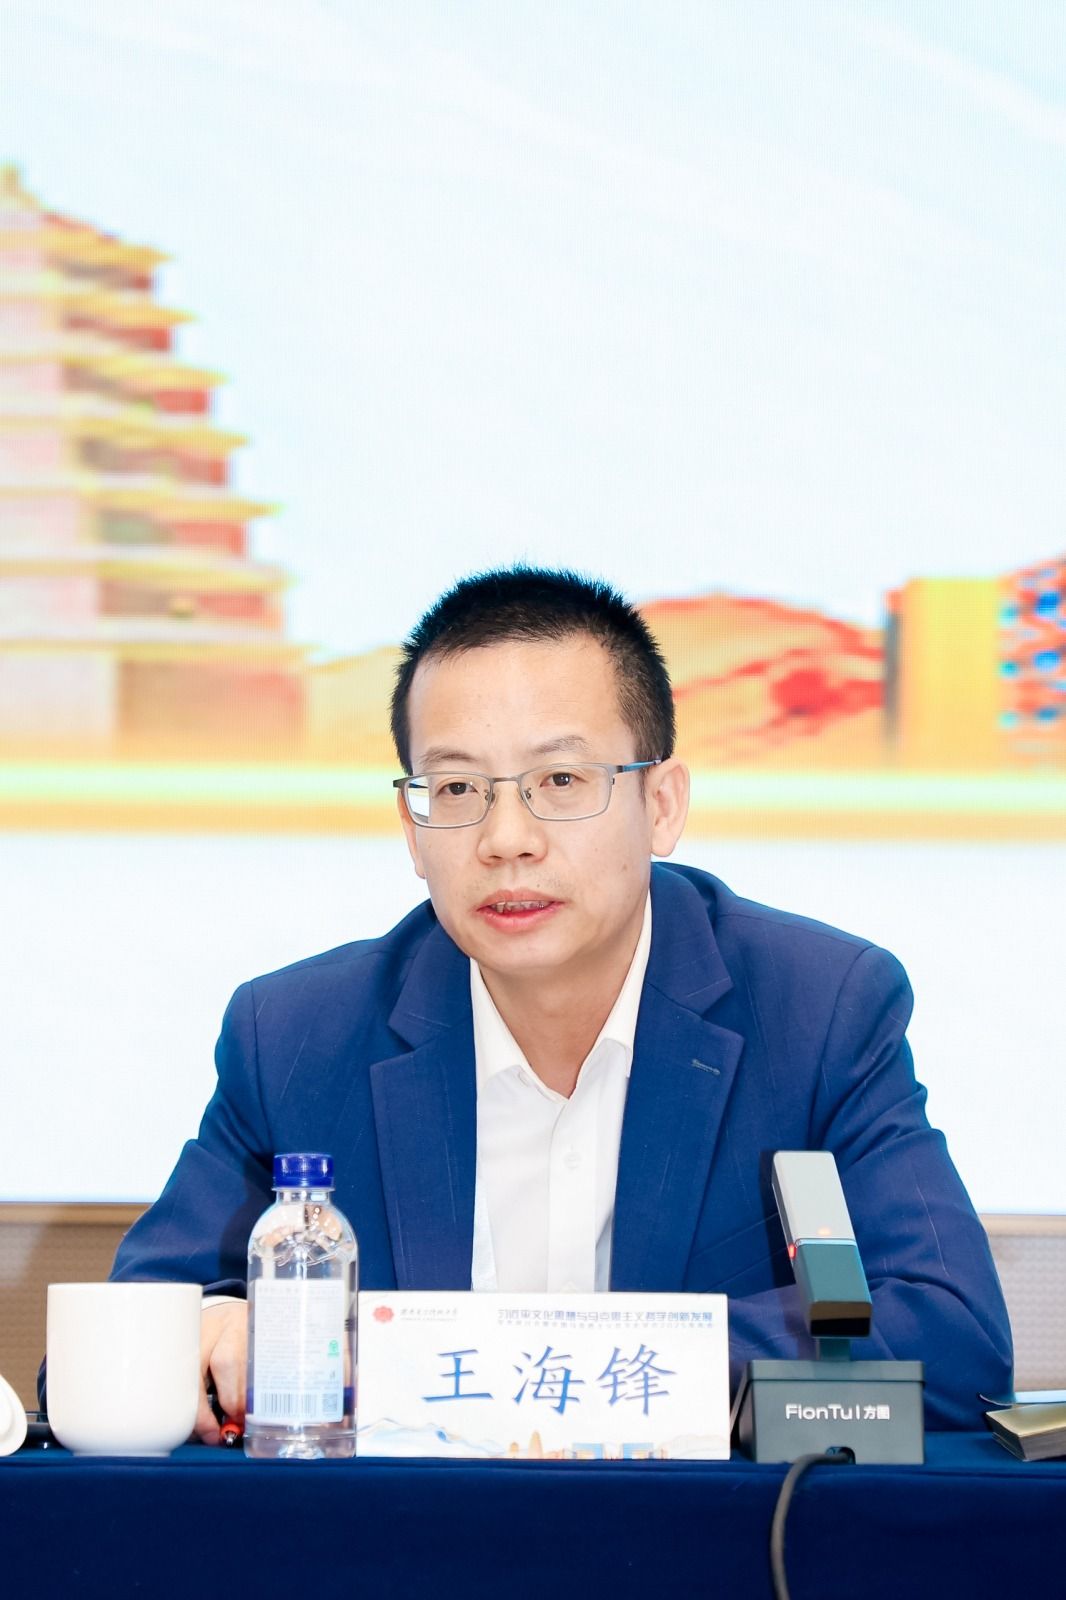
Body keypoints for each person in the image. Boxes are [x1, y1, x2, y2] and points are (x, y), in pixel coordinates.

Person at [109, 566, 1012, 1440]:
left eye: (562, 781)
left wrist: (569, 1371)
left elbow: (954, 1343)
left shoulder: (817, 1010)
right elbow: (121, 1343)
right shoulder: (298, 1034)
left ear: (662, 805)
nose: (507, 839)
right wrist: (212, 1330)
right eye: (457, 789)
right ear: (413, 831)